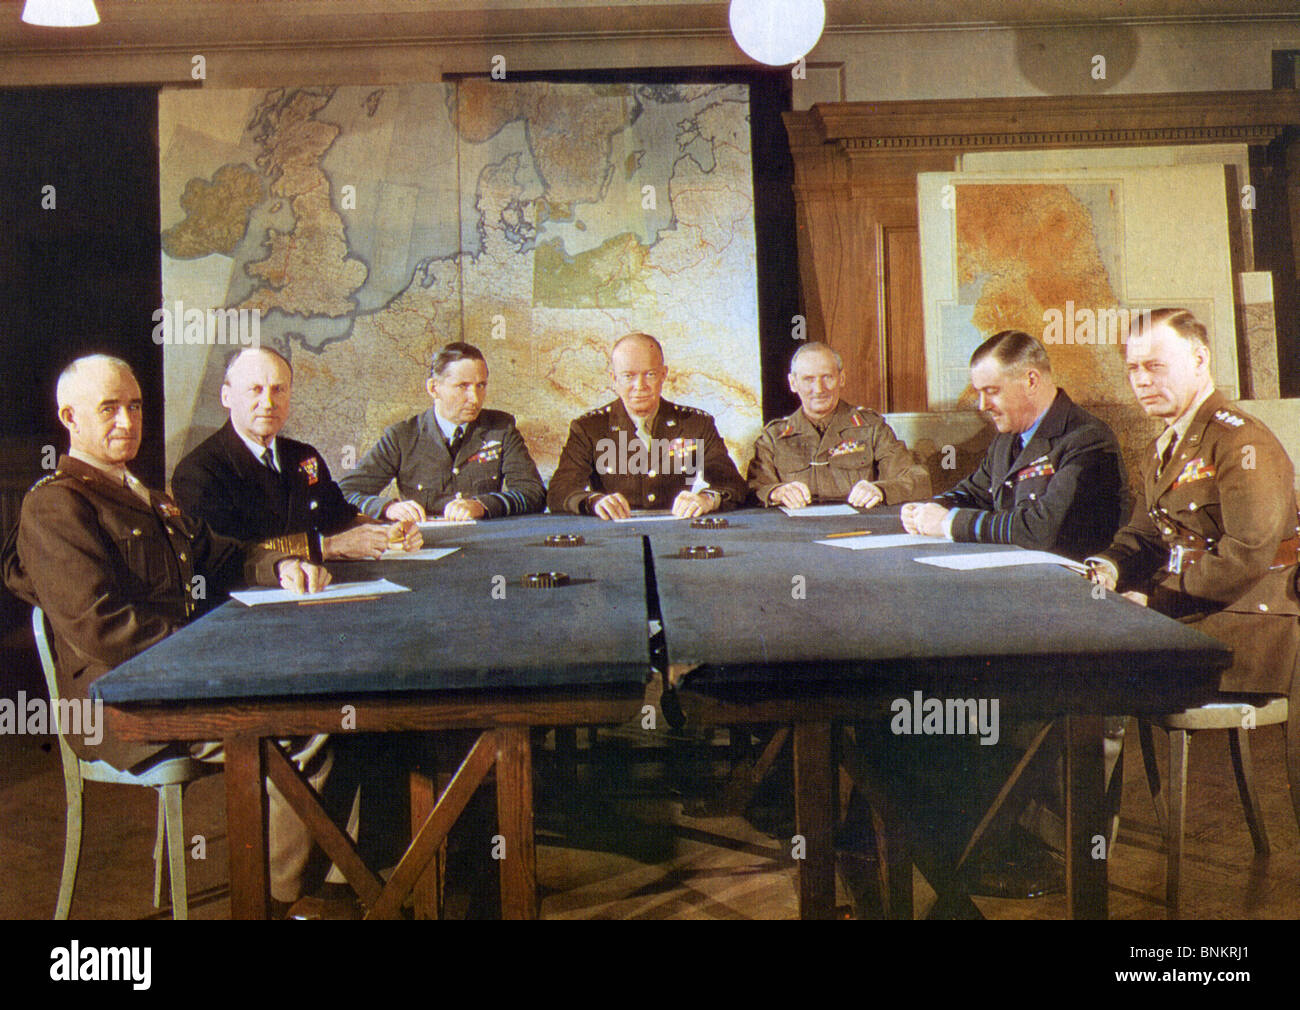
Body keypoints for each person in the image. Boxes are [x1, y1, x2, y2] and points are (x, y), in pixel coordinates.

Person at [2, 354, 339, 911]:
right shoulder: (56, 505)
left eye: (134, 406)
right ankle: (283, 903)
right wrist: (216, 652)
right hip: (120, 702)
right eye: (108, 408)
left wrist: (277, 566)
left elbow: (217, 552)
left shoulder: (143, 493)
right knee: (306, 727)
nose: (127, 421)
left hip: (177, 682)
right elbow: (104, 627)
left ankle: (313, 888)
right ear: (70, 416)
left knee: (326, 707)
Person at [1087, 307, 1300, 695]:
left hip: (1248, 624)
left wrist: (1155, 599)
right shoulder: (1161, 448)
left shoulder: (1241, 442)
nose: (1141, 381)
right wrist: (1109, 567)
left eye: (1155, 366)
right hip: (1194, 609)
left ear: (1200, 359)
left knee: (1091, 664)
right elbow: (1144, 534)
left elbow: (1246, 553)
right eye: (1133, 369)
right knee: (1078, 644)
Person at [172, 346, 419, 559]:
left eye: (279, 389)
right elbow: (225, 556)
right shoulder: (198, 472)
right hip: (244, 603)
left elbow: (338, 518)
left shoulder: (303, 457)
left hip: (319, 589)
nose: (268, 403)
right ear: (226, 396)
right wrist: (327, 547)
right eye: (255, 389)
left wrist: (386, 531)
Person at [901, 329, 1129, 560]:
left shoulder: (1087, 439)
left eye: (992, 391)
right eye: (979, 393)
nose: (982, 406)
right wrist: (929, 508)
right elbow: (974, 492)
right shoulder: (1008, 438)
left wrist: (948, 522)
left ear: (1031, 381)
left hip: (1070, 583)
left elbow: (1041, 529)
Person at [339, 342, 545, 522]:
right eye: (462, 386)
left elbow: (533, 493)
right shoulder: (402, 437)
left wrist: (482, 505)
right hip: (424, 547)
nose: (474, 398)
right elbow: (345, 493)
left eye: (480, 386)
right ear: (433, 388)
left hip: (485, 546)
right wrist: (387, 508)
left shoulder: (500, 429)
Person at [547, 332, 748, 518]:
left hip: (677, 529)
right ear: (613, 379)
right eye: (629, 376)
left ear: (663, 375)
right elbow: (559, 491)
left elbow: (733, 485)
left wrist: (707, 499)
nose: (640, 386)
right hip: (613, 534)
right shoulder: (589, 428)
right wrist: (594, 502)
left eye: (650, 374)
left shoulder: (695, 424)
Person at [747, 342, 930, 509]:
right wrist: (776, 492)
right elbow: (754, 489)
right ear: (793, 383)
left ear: (841, 379)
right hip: (798, 535)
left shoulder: (872, 428)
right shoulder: (773, 437)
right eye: (808, 379)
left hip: (860, 530)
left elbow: (917, 480)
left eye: (827, 377)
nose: (819, 389)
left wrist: (880, 490)